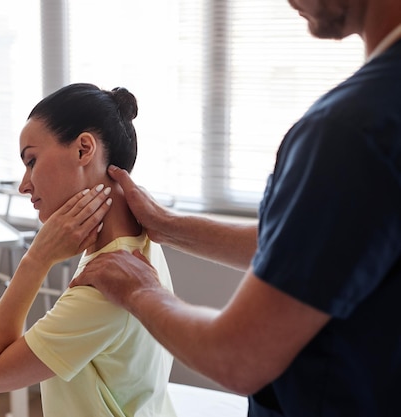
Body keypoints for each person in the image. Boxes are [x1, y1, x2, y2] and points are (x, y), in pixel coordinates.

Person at [69, 1, 401, 416]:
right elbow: (319, 245)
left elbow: (240, 357)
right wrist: (166, 225)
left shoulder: (350, 131)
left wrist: (138, 290)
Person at [0, 83, 177, 417]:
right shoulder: (140, 237)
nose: (24, 185)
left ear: (83, 150)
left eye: (31, 160)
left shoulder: (104, 289)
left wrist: (35, 260)